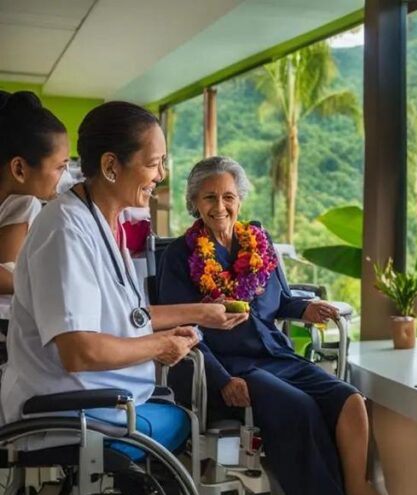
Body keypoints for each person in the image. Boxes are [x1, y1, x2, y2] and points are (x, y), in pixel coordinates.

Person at [157, 156, 417, 495]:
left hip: (277, 355)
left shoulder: (258, 242)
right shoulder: (179, 257)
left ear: (240, 199)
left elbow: (281, 302)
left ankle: (355, 485)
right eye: (209, 197)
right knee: (299, 406)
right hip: (230, 366)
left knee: (349, 399)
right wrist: (224, 380)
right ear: (193, 202)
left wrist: (304, 309)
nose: (219, 206)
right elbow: (185, 331)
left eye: (228, 196)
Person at [0, 101, 248, 453]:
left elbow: (127, 317)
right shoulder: (65, 231)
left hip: (102, 401)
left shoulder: (103, 223)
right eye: (153, 163)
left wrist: (204, 312)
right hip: (72, 411)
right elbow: (80, 352)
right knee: (186, 422)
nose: (161, 174)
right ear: (111, 166)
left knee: (176, 410)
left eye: (163, 162)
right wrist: (162, 345)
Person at [0, 90, 69, 295]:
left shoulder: (22, 203)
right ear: (19, 169)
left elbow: (8, 272)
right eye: (59, 167)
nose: (65, 177)